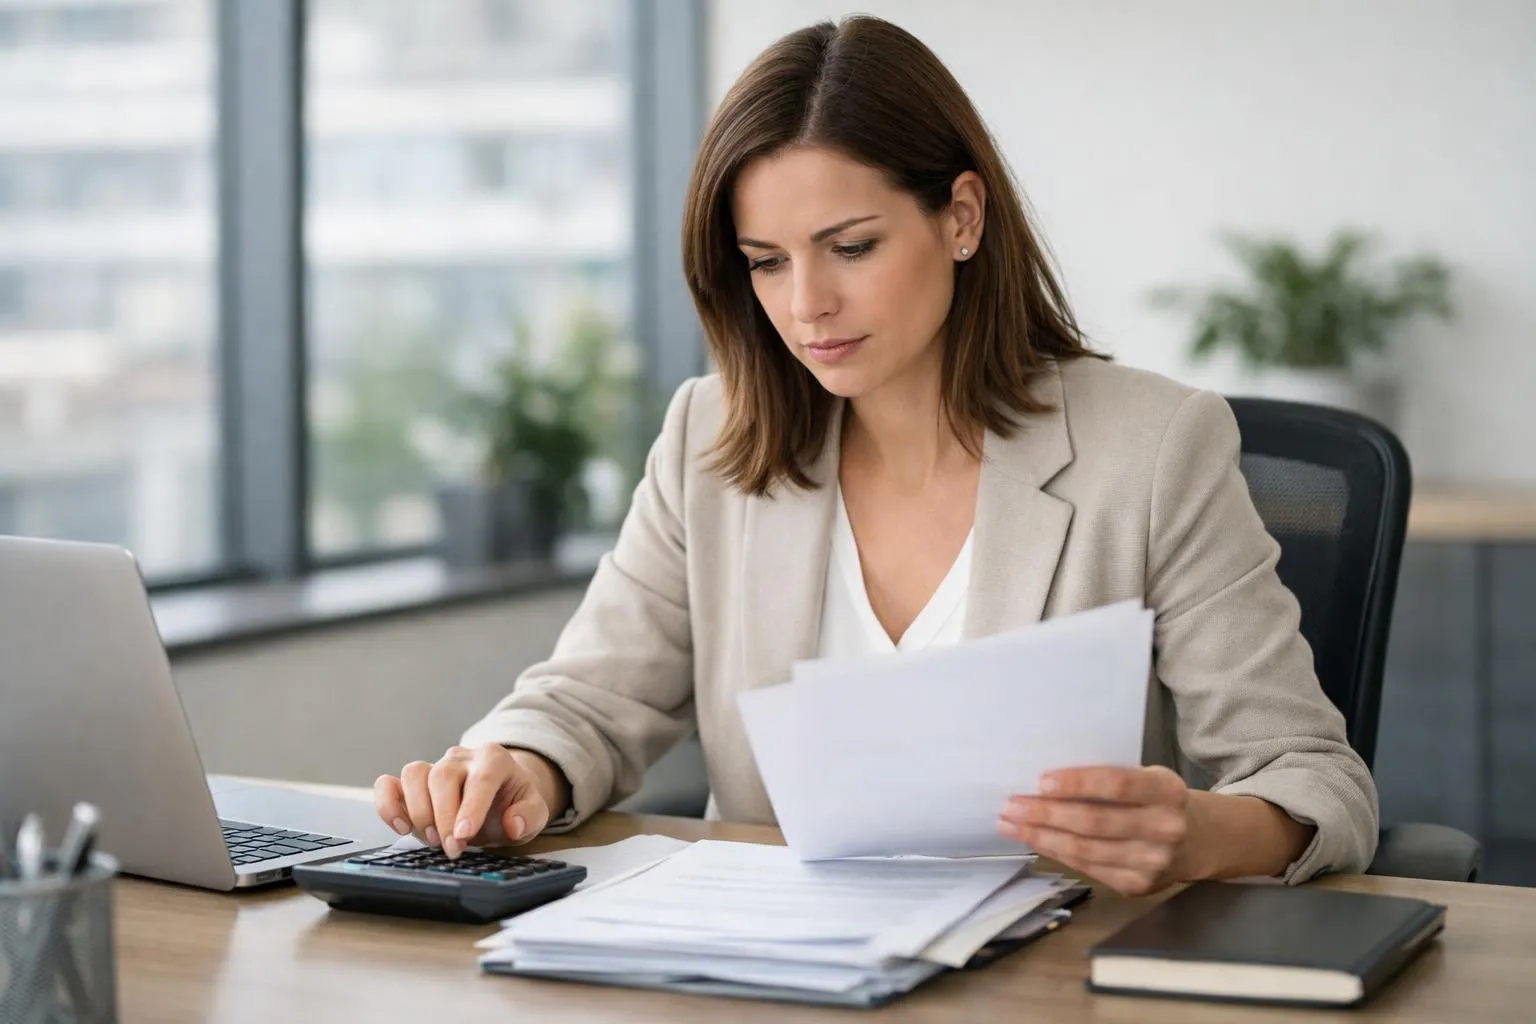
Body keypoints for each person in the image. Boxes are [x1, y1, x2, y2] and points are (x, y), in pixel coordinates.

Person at [374, 15, 1377, 896]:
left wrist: (1195, 835)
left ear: (962, 217)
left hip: (1047, 980)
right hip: (779, 974)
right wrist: (514, 767)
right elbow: (588, 701)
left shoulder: (1155, 448)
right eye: (766, 263)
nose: (806, 304)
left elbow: (1311, 776)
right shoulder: (709, 439)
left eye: (850, 246)